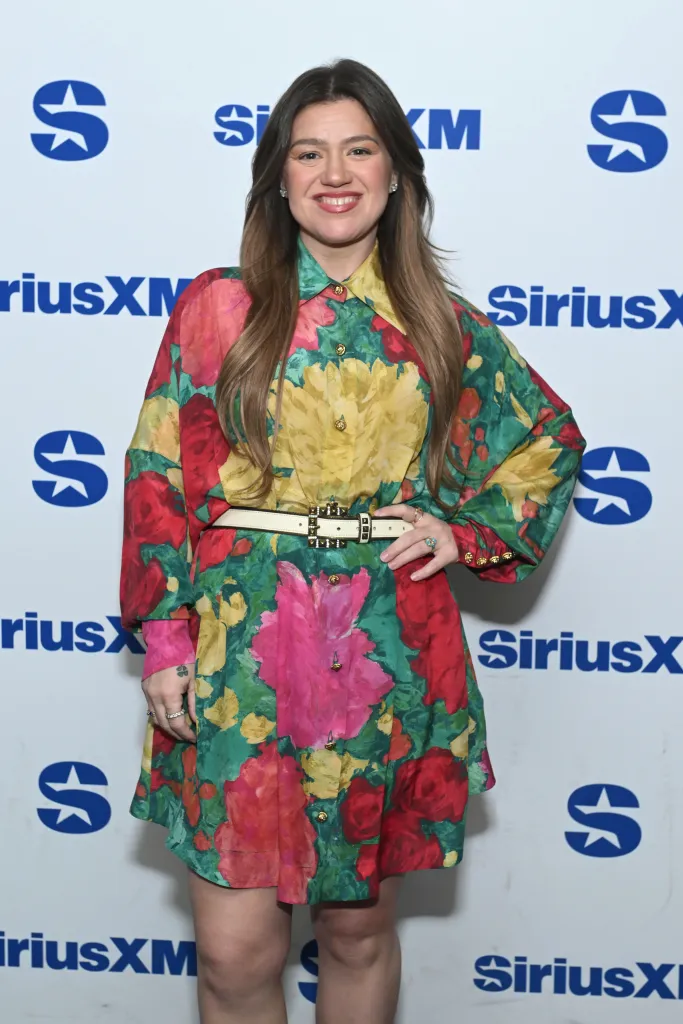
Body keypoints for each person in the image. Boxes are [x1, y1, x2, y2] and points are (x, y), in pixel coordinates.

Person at [121, 58, 585, 1024]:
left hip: (386, 648)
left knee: (358, 934)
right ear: (278, 179)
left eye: (359, 149)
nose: (335, 172)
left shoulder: (440, 324)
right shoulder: (218, 307)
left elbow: (548, 439)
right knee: (234, 956)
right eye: (309, 152)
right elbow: (159, 469)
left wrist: (464, 532)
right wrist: (164, 639)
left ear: (397, 174)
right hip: (237, 651)